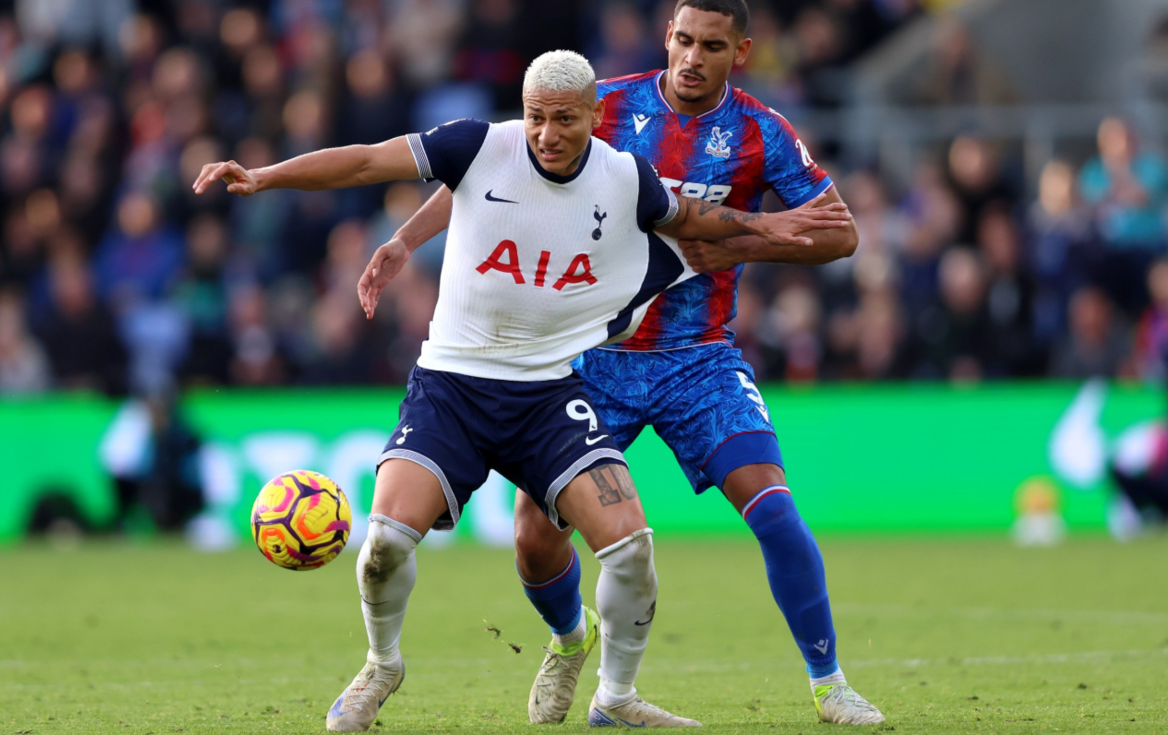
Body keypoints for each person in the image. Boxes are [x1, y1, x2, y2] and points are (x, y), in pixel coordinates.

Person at [194, 49, 850, 731]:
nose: (546, 133)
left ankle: (616, 698)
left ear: (596, 118)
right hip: (451, 387)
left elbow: (700, 225)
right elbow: (364, 161)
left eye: (564, 119)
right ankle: (382, 664)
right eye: (536, 117)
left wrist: (778, 229)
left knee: (631, 548)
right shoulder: (478, 145)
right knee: (386, 541)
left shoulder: (626, 179)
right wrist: (266, 178)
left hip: (547, 395)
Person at [361, 0, 884, 726]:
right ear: (666, 38)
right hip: (590, 355)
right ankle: (568, 643)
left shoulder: (763, 134)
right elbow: (485, 171)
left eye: (711, 45)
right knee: (534, 542)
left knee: (772, 505)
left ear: (742, 53)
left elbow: (839, 234)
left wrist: (737, 240)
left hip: (697, 356)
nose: (692, 57)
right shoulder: (599, 105)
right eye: (682, 40)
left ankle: (831, 686)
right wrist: (407, 242)